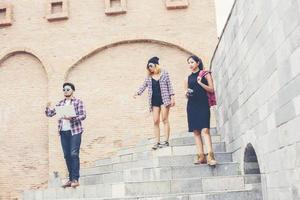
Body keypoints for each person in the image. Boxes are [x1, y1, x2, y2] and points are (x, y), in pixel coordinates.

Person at [45, 82, 86, 188]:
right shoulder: (60, 103)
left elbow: (83, 115)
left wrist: (72, 117)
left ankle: (75, 179)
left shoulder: (78, 102)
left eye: (67, 89)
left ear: (72, 90)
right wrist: (47, 107)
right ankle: (70, 179)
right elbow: (50, 114)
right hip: (63, 131)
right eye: (64, 89)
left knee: (74, 154)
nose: (65, 91)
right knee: (67, 155)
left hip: (75, 131)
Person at [134, 56, 175, 150]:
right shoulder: (149, 77)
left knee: (165, 119)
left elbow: (170, 86)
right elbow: (143, 86)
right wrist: (137, 93)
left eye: (151, 66)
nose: (150, 68)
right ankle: (157, 142)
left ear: (156, 65)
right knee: (155, 121)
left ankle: (166, 141)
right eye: (148, 67)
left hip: (164, 99)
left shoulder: (165, 73)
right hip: (154, 101)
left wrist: (172, 98)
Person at [185, 55, 217, 165]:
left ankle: (210, 156)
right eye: (188, 63)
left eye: (192, 62)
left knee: (205, 130)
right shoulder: (187, 78)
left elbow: (212, 89)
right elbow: (186, 94)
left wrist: (200, 83)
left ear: (198, 63)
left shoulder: (205, 74)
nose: (190, 64)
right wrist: (186, 93)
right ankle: (201, 156)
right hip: (192, 106)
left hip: (203, 104)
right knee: (196, 132)